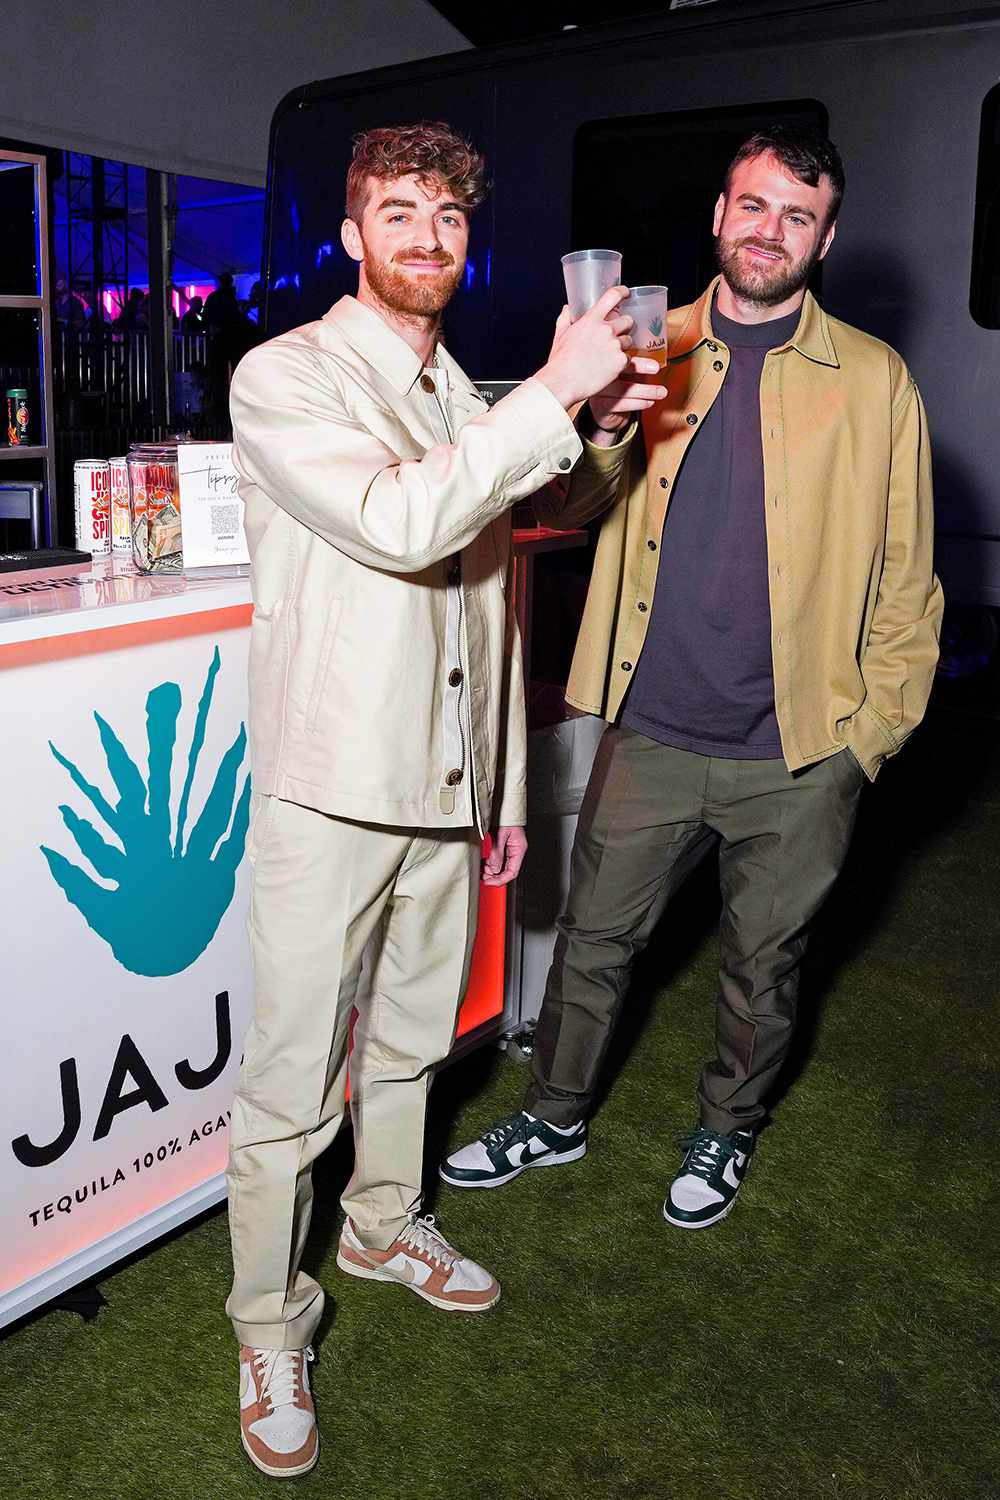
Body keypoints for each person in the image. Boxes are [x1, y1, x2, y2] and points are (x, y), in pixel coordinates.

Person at [225, 119, 661, 1480]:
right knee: (293, 1087)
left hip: (445, 782)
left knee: (413, 1043)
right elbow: (410, 522)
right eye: (398, 212)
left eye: (450, 220)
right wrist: (553, 391)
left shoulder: (457, 388)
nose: (427, 238)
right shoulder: (283, 375)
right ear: (352, 235)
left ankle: (383, 1221)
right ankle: (267, 1324)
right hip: (329, 791)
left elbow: (506, 562)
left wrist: (596, 432)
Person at [441, 126, 943, 1234]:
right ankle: (556, 1112)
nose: (770, 231)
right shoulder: (634, 346)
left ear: (824, 238)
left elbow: (910, 581)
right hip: (654, 727)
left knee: (763, 964)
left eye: (796, 216)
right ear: (719, 216)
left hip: (800, 747)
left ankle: (726, 1126)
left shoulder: (873, 379)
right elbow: (561, 510)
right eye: (753, 207)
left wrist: (868, 740)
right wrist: (607, 426)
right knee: (591, 941)